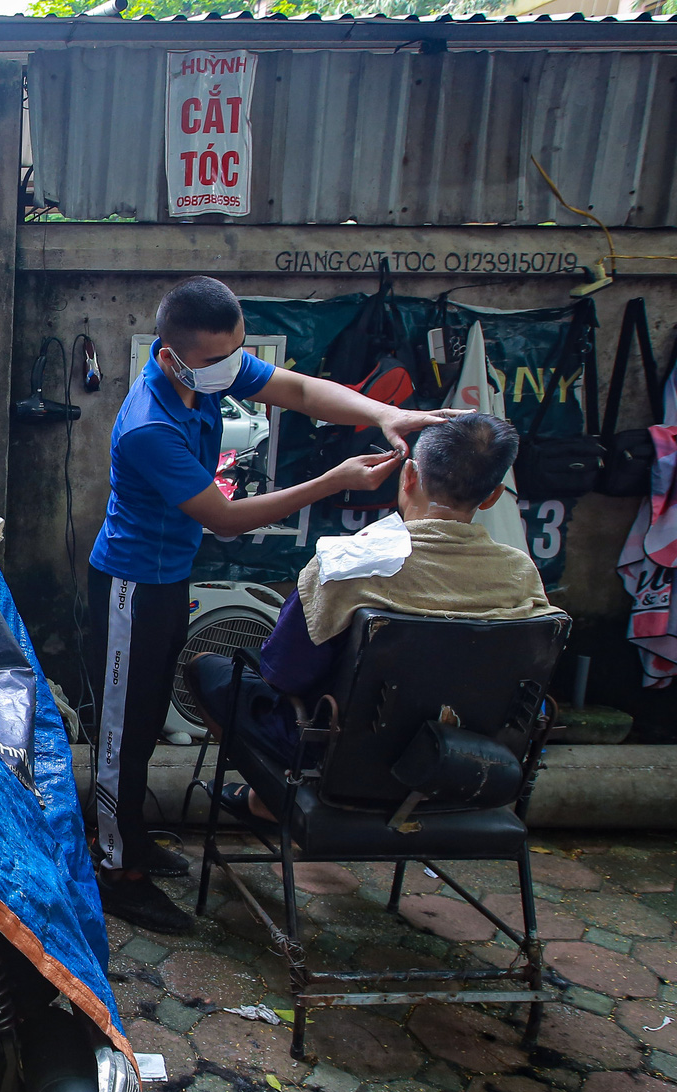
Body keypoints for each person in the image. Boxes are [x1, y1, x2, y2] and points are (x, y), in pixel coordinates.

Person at [90, 276, 461, 934]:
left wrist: (382, 413)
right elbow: (225, 518)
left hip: (167, 576)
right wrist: (332, 481)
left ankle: (133, 840)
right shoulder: (150, 424)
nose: (235, 369)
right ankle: (117, 871)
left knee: (146, 718)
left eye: (238, 352)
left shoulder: (205, 371)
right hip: (131, 587)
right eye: (219, 359)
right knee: (125, 733)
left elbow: (295, 388)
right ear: (171, 354)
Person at [187, 413, 553, 825]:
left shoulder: (349, 564)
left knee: (208, 671)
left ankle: (272, 800)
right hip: (463, 764)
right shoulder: (521, 576)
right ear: (492, 496)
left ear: (408, 476)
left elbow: (282, 675)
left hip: (341, 761)